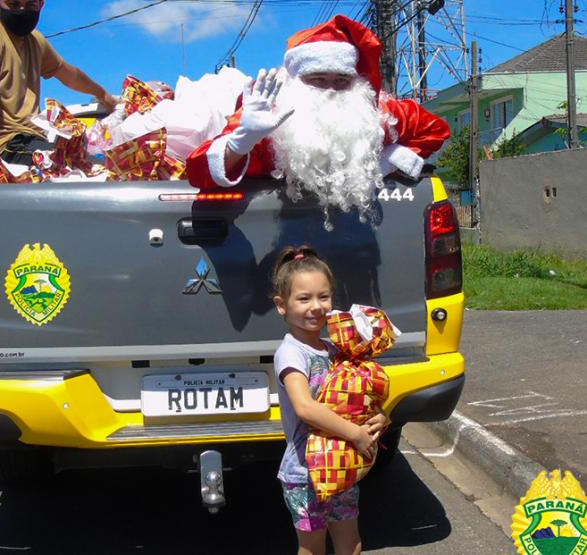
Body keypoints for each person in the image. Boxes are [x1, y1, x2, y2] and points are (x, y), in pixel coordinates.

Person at [186, 15, 450, 217]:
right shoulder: (269, 119)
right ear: (296, 81)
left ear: (356, 82)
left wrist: (388, 159)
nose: (331, 90)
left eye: (342, 80)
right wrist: (240, 143)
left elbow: (436, 130)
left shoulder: (376, 117)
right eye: (318, 80)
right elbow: (198, 172)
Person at [271, 245, 388, 555]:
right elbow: (305, 407)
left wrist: (380, 416)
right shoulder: (291, 352)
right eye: (304, 299)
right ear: (282, 305)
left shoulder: (335, 349)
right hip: (304, 473)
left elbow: (358, 399)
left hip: (341, 467)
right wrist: (355, 434)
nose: (316, 307)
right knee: (312, 548)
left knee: (351, 543)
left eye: (323, 297)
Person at [0, 0, 117, 166]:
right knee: (94, 166)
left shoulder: (34, 40)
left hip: (32, 141)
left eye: (30, 5)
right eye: (13, 5)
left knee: (103, 159)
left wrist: (103, 94)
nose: (22, 11)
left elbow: (68, 73)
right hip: (6, 147)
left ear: (41, 4)